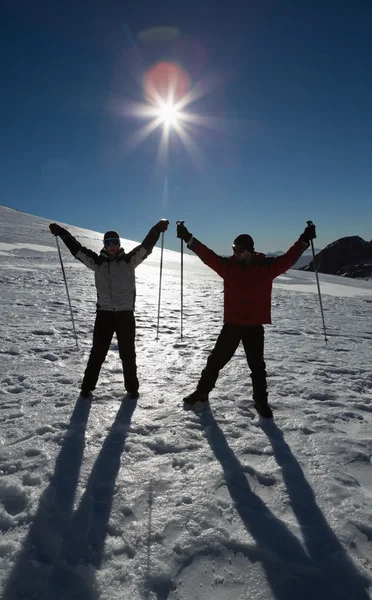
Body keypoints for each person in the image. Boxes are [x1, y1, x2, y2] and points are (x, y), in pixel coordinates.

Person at [176, 222, 316, 417]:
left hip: (254, 327)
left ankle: (261, 402)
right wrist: (188, 238)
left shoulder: (266, 267)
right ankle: (202, 393)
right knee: (215, 361)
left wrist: (303, 240)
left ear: (250, 250)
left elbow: (288, 259)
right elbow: (207, 256)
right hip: (232, 325)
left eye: (239, 249)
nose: (236, 253)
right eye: (234, 249)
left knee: (257, 367)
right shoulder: (228, 267)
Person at [49, 220, 169, 398]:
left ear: (119, 244)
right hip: (104, 314)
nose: (112, 246)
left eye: (115, 242)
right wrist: (62, 233)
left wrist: (156, 229)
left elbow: (146, 247)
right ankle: (87, 387)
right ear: (104, 245)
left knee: (128, 353)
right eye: (108, 242)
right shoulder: (97, 262)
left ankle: (132, 388)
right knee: (97, 352)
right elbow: (78, 250)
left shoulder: (129, 260)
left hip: (125, 314)